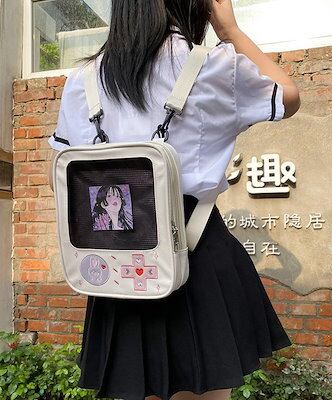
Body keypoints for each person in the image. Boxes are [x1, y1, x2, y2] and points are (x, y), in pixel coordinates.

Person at [47, 1, 300, 399]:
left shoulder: (82, 81)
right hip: (197, 255)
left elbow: (61, 179)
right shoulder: (212, 66)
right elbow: (288, 96)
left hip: (120, 266)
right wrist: (231, 32)